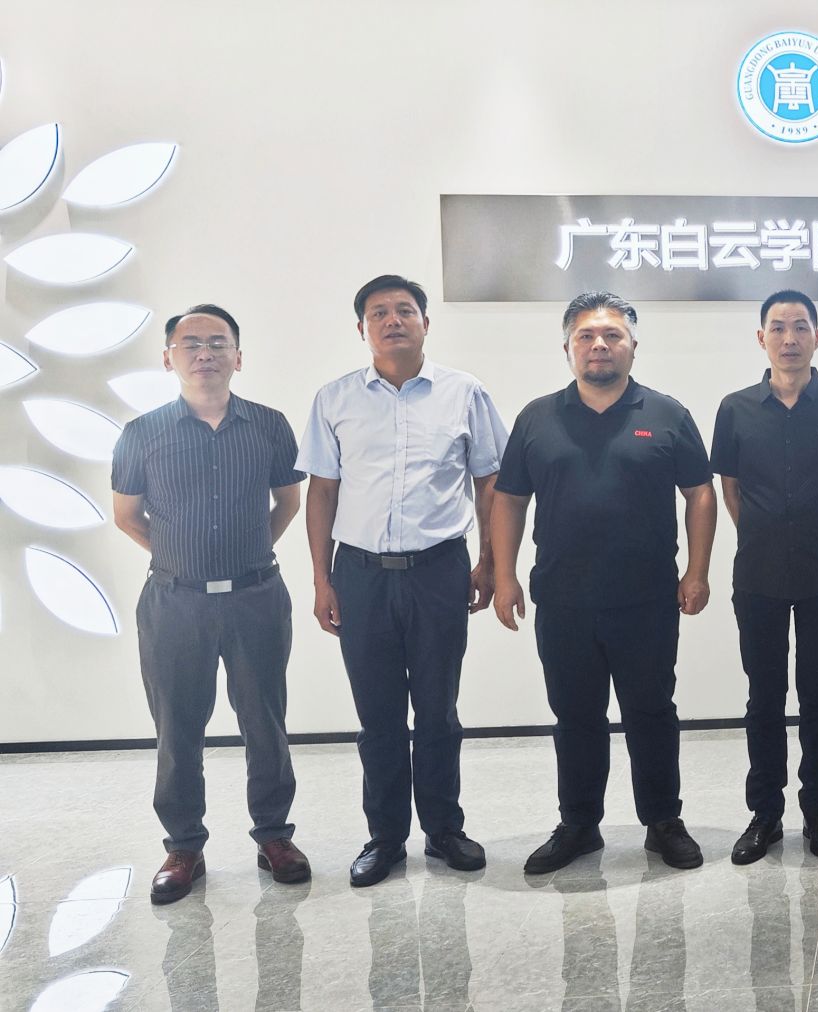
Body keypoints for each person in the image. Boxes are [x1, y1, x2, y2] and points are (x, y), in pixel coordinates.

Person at [489, 292, 716, 873]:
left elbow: (699, 492)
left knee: (651, 712)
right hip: (563, 599)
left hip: (646, 599)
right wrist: (504, 575)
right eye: (586, 336)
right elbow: (509, 499)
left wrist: (697, 570)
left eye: (612, 335)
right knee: (575, 717)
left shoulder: (667, 414)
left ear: (633, 346)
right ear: (567, 348)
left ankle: (663, 821)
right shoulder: (537, 418)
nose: (599, 345)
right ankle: (579, 824)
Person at [299, 275, 505, 886]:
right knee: (378, 717)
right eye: (379, 313)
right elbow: (322, 493)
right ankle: (385, 838)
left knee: (438, 711)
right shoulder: (335, 399)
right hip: (360, 575)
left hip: (439, 571)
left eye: (405, 310)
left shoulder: (464, 392)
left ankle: (444, 830)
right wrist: (321, 579)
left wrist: (490, 561)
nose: (393, 320)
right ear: (361, 327)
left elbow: (490, 483)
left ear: (425, 323)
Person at [111, 304, 309, 903]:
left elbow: (288, 502)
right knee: (177, 727)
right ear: (168, 357)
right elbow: (127, 515)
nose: (205, 353)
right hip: (174, 602)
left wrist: (247, 556)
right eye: (190, 343)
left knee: (265, 722)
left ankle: (274, 836)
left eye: (218, 343)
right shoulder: (142, 432)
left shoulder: (269, 425)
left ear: (238, 357)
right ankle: (183, 847)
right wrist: (180, 558)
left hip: (257, 597)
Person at [710, 290, 818, 864]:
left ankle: (817, 811)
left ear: (817, 337)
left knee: (817, 696)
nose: (789, 338)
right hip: (757, 574)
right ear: (761, 338)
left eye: (800, 326)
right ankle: (765, 815)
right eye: (778, 327)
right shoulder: (735, 408)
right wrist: (762, 535)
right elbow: (730, 490)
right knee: (763, 697)